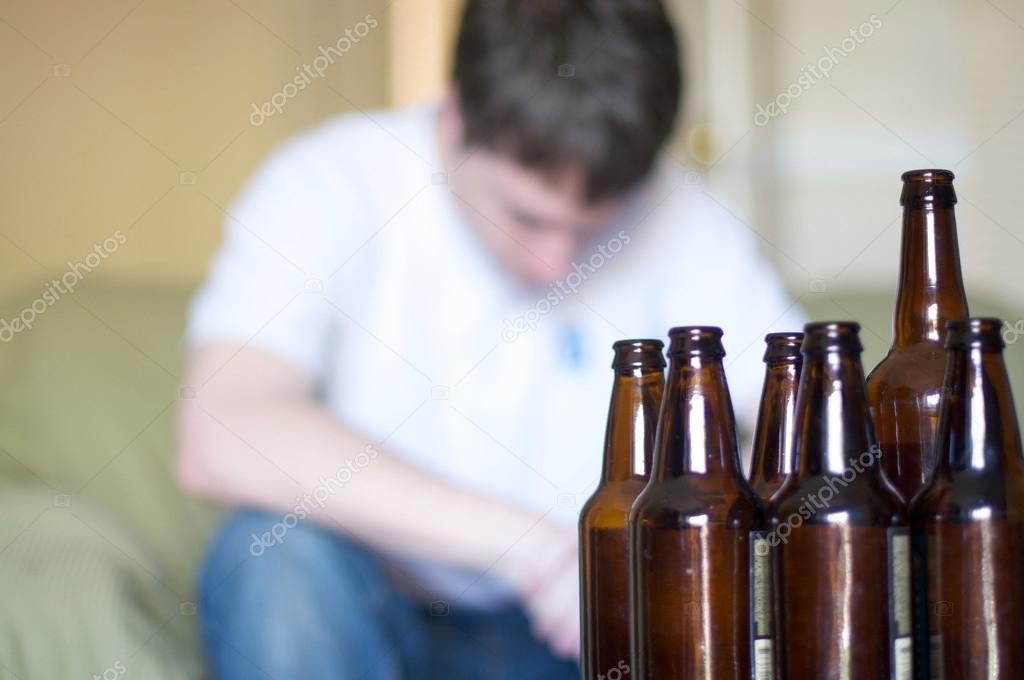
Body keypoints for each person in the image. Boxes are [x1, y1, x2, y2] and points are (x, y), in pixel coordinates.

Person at [175, 1, 804, 678]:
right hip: (383, 613)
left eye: (593, 225)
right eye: (525, 217)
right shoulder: (326, 182)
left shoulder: (683, 216)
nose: (555, 265)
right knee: (272, 555)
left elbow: (808, 438)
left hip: (600, 635)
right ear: (452, 119)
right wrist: (538, 550)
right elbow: (222, 429)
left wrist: (664, 550)